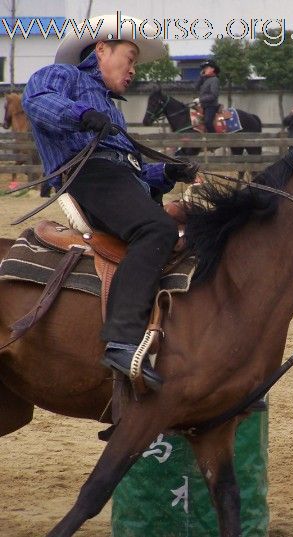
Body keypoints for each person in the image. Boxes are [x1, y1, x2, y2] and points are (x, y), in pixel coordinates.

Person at [22, 14, 199, 390]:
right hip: (89, 178)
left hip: (115, 179)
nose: (133, 69)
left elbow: (129, 170)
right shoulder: (63, 77)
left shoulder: (112, 108)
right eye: (130, 57)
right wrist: (82, 114)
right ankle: (120, 340)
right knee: (156, 228)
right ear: (101, 49)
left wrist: (167, 174)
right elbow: (38, 101)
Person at [196, 59, 221, 135]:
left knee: (207, 122)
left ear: (212, 69)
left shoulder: (215, 80)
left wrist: (200, 99)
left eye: (206, 67)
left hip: (211, 106)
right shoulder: (205, 79)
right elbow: (196, 87)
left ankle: (214, 141)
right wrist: (201, 76)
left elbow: (214, 95)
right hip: (203, 106)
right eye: (204, 68)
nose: (204, 69)